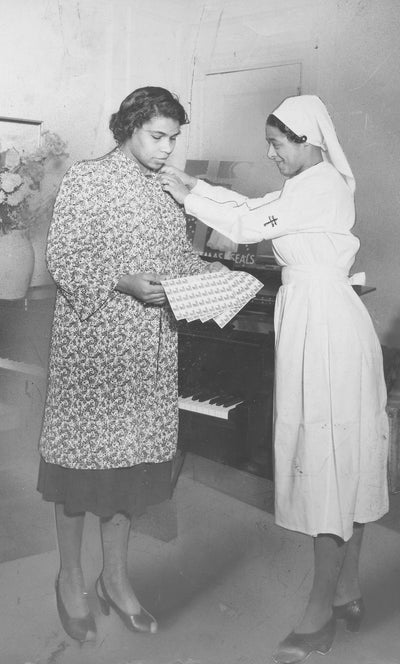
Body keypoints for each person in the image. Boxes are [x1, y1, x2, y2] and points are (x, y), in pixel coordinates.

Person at [160, 94, 389, 664]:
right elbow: (253, 205)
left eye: (277, 143)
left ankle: (318, 614)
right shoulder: (307, 184)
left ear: (306, 139)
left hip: (326, 329)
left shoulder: (321, 186)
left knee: (328, 457)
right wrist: (192, 185)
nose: (270, 154)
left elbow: (245, 222)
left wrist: (186, 193)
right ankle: (347, 589)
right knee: (340, 454)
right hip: (318, 319)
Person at [37, 86, 223, 643]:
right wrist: (123, 282)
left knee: (129, 473)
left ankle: (115, 580)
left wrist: (215, 277)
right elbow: (64, 256)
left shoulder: (168, 188)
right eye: (157, 136)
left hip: (148, 351)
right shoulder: (88, 178)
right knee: (78, 470)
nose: (167, 148)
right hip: (93, 350)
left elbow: (178, 258)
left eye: (173, 138)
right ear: (128, 128)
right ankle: (71, 578)